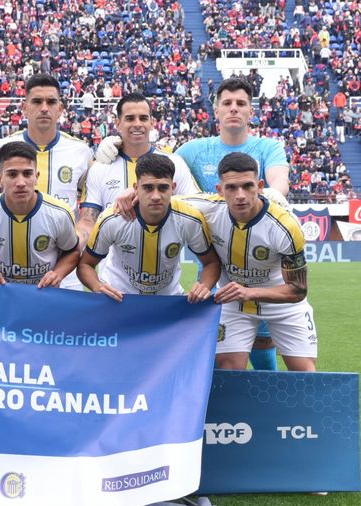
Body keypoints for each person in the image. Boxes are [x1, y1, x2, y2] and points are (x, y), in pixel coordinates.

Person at [97, 77, 289, 371]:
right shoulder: (193, 150)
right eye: (227, 103)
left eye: (241, 103)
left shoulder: (269, 147)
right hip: (216, 263)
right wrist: (118, 145)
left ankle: (267, 398)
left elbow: (279, 186)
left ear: (252, 111)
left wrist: (268, 195)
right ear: (216, 110)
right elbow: (158, 166)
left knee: (263, 344)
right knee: (222, 353)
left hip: (261, 266)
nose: (234, 108)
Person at [184, 153, 316, 371]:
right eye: (231, 188)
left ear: (260, 186)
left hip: (283, 304)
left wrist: (249, 292)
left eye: (248, 186)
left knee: (305, 374)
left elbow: (298, 290)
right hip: (233, 302)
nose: (240, 195)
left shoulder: (286, 226)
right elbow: (159, 199)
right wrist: (130, 194)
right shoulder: (206, 208)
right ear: (219, 190)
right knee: (228, 370)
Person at [0, 74, 92, 289]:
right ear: (25, 107)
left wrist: (76, 240)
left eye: (51, 102)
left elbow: (88, 213)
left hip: (65, 273)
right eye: (37, 101)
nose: (44, 108)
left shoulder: (81, 151)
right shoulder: (1, 148)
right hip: (10, 270)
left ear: (60, 109)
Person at [78, 153, 219, 302]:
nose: (156, 196)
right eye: (148, 188)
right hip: (120, 301)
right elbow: (85, 264)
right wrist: (97, 286)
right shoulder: (112, 219)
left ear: (173, 188)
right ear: (135, 188)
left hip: (168, 302)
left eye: (163, 188)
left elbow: (211, 262)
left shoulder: (190, 219)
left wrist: (204, 285)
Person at [77, 93, 200, 250]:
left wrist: (147, 197)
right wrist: (72, 244)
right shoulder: (100, 167)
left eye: (143, 118)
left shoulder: (175, 163)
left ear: (152, 123)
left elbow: (197, 210)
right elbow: (87, 222)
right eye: (130, 119)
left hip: (163, 263)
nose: (137, 124)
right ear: (118, 123)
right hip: (109, 265)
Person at [0, 141, 79, 288]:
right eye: (12, 174)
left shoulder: (59, 214)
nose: (21, 182)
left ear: (36, 177)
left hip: (45, 294)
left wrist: (58, 274)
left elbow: (73, 252)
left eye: (27, 174)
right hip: (3, 294)